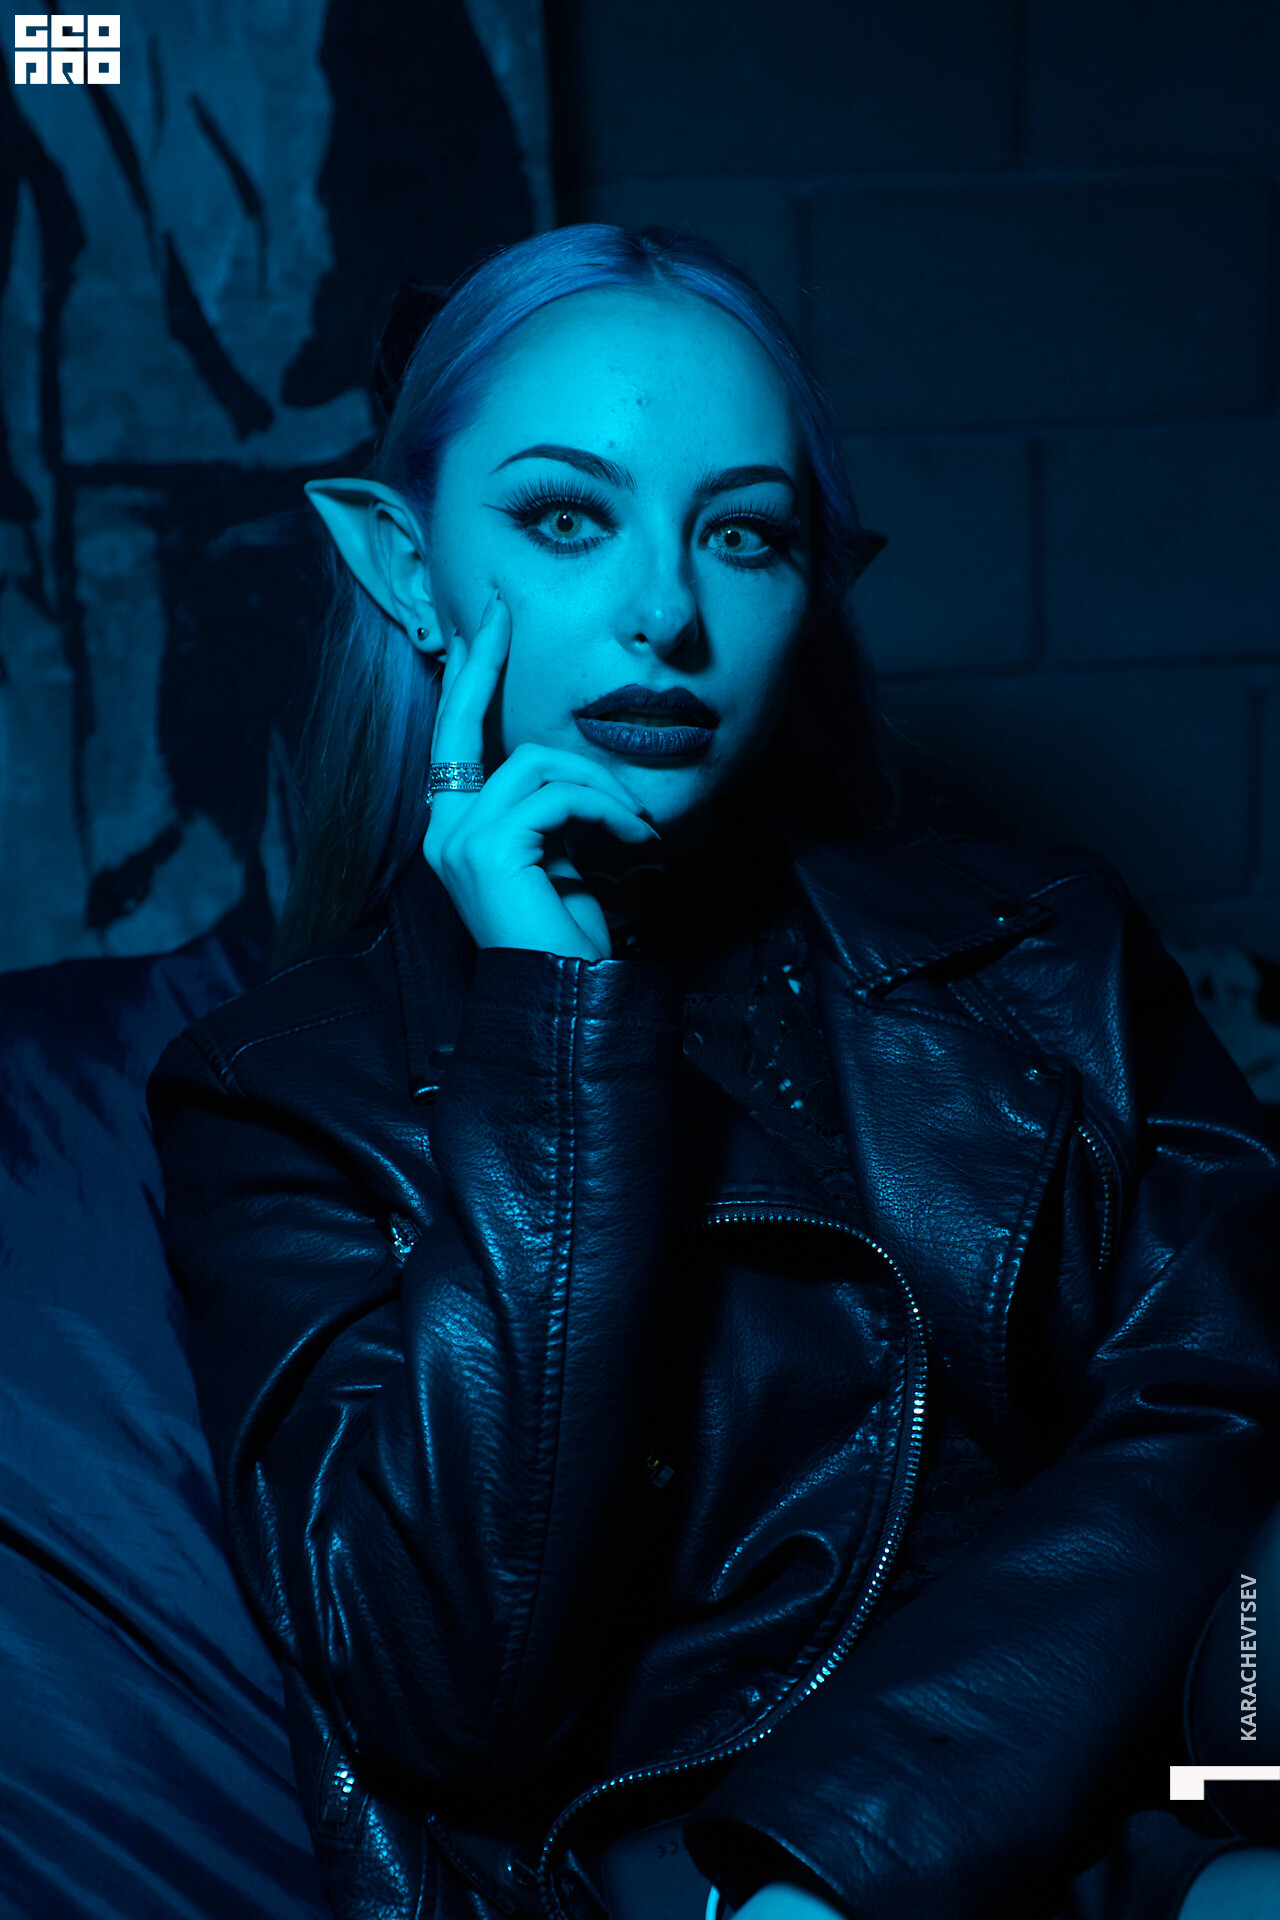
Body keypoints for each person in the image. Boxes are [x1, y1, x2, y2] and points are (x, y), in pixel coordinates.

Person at [148, 224, 1280, 1920]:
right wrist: (556, 1019)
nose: (668, 613)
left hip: (1125, 1813)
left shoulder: (1044, 945)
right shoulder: (272, 1098)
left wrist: (852, 1857)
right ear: (401, 563)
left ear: (812, 585)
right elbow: (456, 1692)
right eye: (565, 519)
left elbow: (1229, 1414)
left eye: (742, 534)